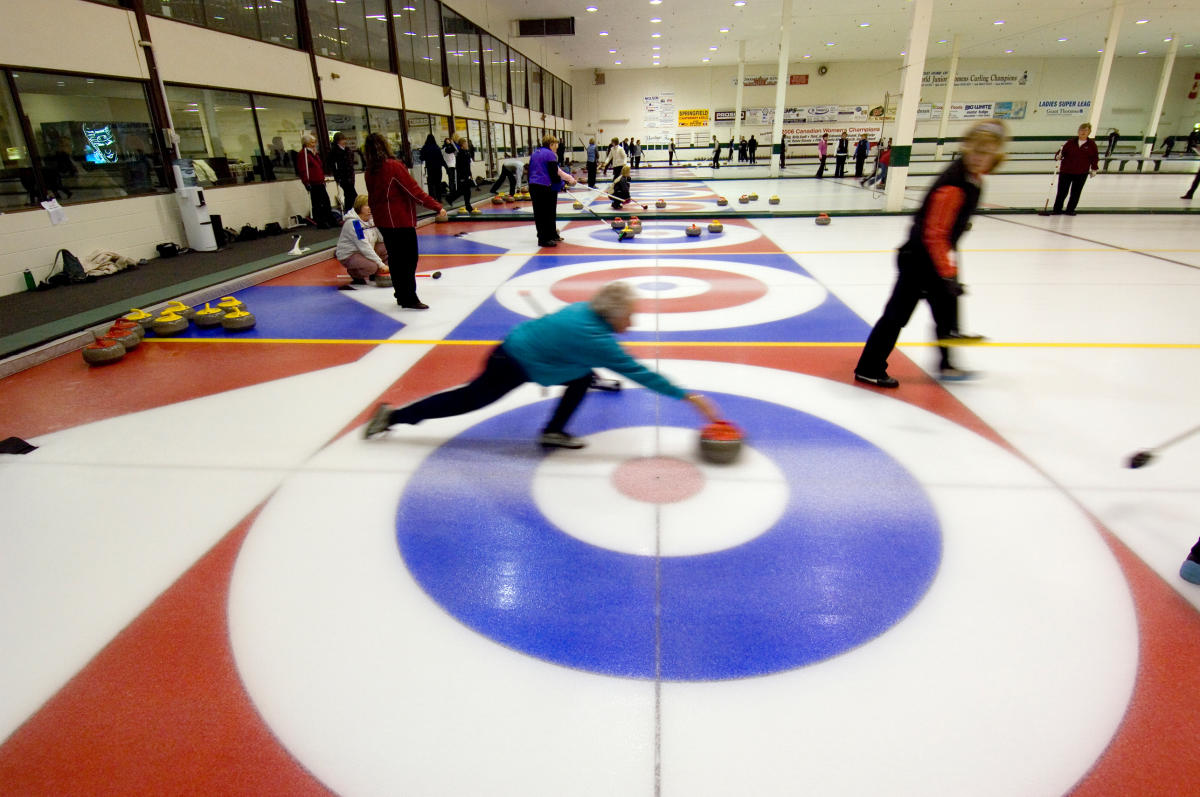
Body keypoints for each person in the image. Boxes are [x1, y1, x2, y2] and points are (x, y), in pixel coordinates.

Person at [364, 282, 723, 449]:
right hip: (514, 363)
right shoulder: (597, 340)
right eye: (629, 317)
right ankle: (392, 417)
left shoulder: (587, 310)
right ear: (613, 316)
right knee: (467, 401)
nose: (631, 324)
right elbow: (640, 374)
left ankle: (554, 430)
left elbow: (562, 341)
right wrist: (689, 397)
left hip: (519, 347)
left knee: (583, 375)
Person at [853, 119, 1008, 388]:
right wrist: (948, 273)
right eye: (975, 150)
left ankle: (947, 363)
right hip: (918, 260)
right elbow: (935, 234)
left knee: (946, 311)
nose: (979, 158)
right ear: (966, 147)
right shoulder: (955, 185)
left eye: (986, 153)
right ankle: (869, 367)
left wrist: (950, 273)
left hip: (931, 259)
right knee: (896, 316)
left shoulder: (972, 179)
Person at [362, 132, 446, 310]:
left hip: (383, 221)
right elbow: (414, 191)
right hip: (399, 221)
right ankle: (409, 297)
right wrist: (437, 206)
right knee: (408, 259)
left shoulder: (369, 172)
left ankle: (401, 293)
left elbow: (373, 198)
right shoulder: (393, 167)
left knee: (395, 259)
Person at [529, 133, 577, 248]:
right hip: (544, 186)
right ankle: (544, 239)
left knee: (542, 213)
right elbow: (554, 174)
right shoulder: (550, 155)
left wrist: (565, 181)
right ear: (551, 144)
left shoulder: (535, 153)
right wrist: (561, 184)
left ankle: (551, 234)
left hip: (535, 186)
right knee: (546, 213)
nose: (557, 147)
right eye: (556, 144)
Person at [335, 194, 390, 286]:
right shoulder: (354, 224)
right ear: (359, 207)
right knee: (372, 266)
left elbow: (381, 239)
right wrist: (381, 265)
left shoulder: (371, 220)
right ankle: (355, 274)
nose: (370, 208)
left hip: (363, 251)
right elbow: (364, 247)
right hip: (350, 254)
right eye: (367, 205)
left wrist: (379, 224)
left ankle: (376, 273)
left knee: (386, 247)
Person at [1052, 122, 1099, 215]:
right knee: (1062, 191)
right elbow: (1060, 154)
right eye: (1081, 130)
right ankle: (1057, 209)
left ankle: (1070, 210)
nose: (1083, 132)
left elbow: (1095, 157)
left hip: (1081, 173)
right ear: (1078, 131)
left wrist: (1094, 169)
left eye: (1086, 130)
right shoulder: (1070, 142)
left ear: (1089, 132)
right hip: (1066, 171)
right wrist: (1058, 156)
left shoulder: (1091, 145)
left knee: (1076, 193)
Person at [298, 133, 334, 228]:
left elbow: (319, 166)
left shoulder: (315, 153)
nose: (314, 144)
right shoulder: (304, 154)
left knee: (326, 201)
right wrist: (306, 182)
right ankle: (321, 222)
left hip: (319, 181)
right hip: (313, 183)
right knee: (317, 203)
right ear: (306, 143)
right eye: (312, 142)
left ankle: (330, 219)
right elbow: (303, 170)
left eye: (314, 142)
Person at [330, 131, 357, 213]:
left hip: (350, 175)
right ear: (338, 141)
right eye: (342, 140)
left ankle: (350, 210)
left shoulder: (347, 150)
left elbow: (351, 161)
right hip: (343, 177)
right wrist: (338, 177)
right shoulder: (335, 152)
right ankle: (350, 211)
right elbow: (333, 165)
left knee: (350, 195)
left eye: (344, 139)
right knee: (351, 195)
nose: (344, 141)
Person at [449, 135, 477, 214]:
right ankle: (467, 206)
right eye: (465, 144)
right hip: (462, 175)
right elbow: (460, 166)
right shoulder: (460, 154)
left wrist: (470, 174)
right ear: (462, 145)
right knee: (464, 191)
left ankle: (451, 199)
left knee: (465, 191)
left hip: (466, 174)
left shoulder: (466, 153)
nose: (467, 145)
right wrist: (461, 177)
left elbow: (468, 165)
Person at [419, 134, 444, 201]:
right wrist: (445, 167)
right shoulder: (437, 147)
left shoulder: (425, 147)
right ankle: (439, 198)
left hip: (430, 168)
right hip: (438, 168)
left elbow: (421, 158)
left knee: (431, 184)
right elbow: (441, 158)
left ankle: (432, 198)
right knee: (438, 184)